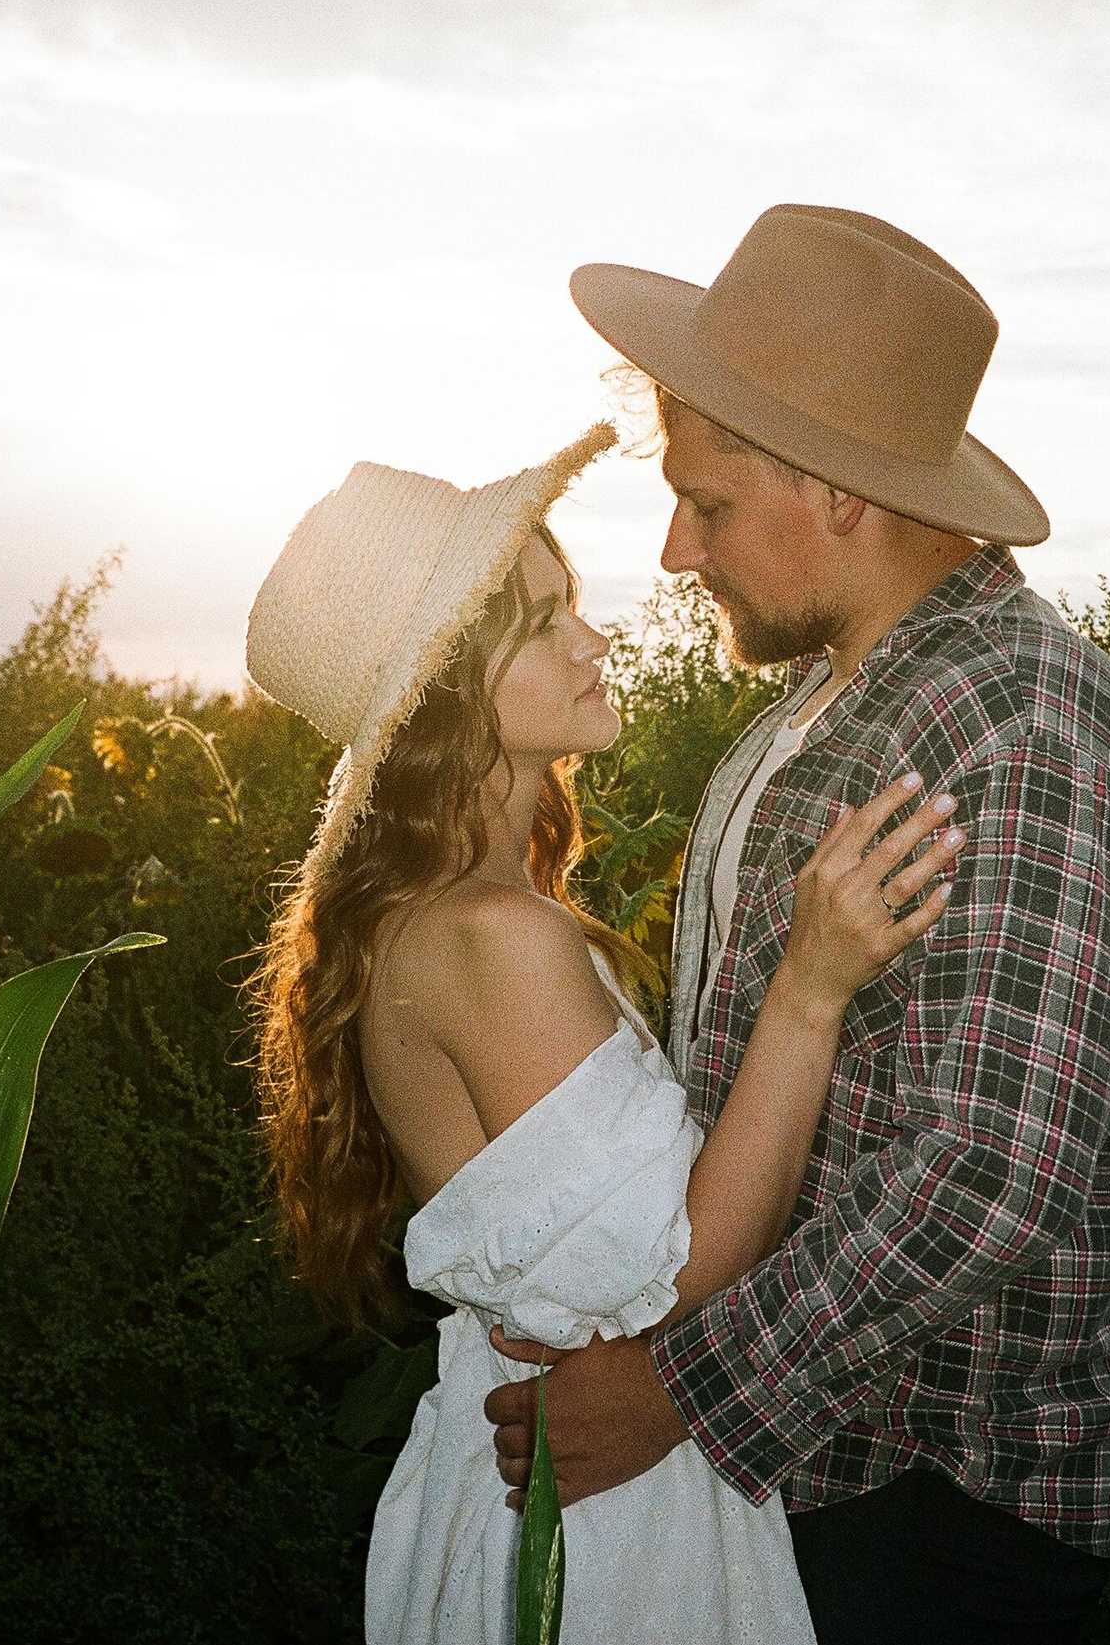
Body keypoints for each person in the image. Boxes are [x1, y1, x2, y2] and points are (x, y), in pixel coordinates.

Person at [485, 205, 1110, 1642]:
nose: (677, 552)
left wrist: (680, 1387)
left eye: (712, 503)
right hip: (827, 1469)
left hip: (944, 1500)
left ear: (841, 496)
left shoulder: (1020, 721)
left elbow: (993, 1171)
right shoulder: (836, 704)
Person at [245, 424, 965, 1644]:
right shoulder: (488, 935)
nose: (593, 636)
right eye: (540, 622)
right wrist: (811, 985)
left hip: (550, 1475)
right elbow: (680, 1272)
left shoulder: (439, 917)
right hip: (604, 1528)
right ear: (439, 697)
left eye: (570, 600)